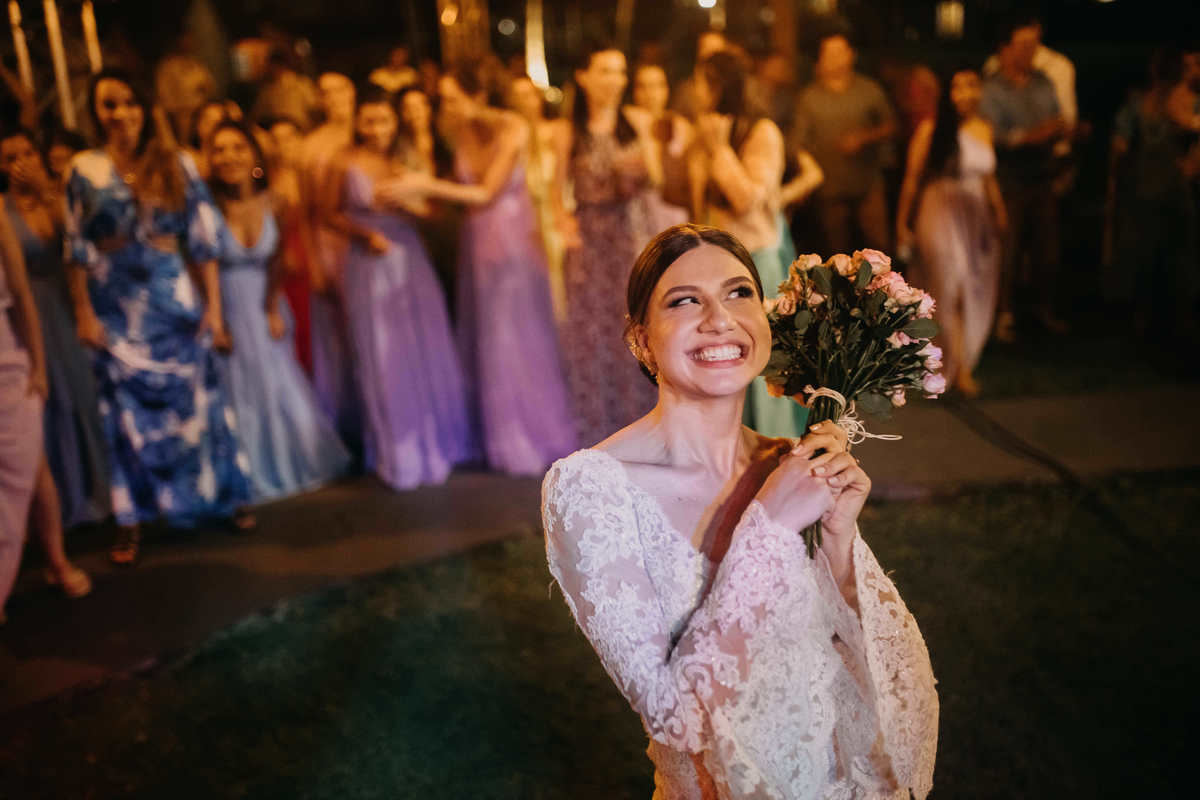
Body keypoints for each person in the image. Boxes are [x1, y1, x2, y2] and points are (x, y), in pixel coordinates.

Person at [542, 223, 938, 798]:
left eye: (738, 293)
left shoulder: (790, 463)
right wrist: (769, 526)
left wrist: (838, 541)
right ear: (641, 340)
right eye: (685, 301)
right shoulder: (592, 487)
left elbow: (872, 671)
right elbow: (675, 717)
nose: (720, 318)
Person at [65, 70, 253, 564]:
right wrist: (83, 312)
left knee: (201, 402)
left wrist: (214, 309)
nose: (120, 113)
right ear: (96, 112)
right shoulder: (83, 168)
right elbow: (76, 247)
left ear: (145, 107)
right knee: (122, 415)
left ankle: (227, 496)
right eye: (109, 104)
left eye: (129, 102)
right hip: (115, 308)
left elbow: (204, 239)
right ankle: (131, 519)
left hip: (174, 303)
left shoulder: (176, 161)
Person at [386, 66, 576, 475]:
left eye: (454, 98)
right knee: (487, 338)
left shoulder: (512, 127)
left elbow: (487, 191)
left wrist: (424, 184)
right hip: (477, 239)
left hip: (512, 238)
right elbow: (458, 190)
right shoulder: (458, 132)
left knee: (514, 336)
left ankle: (528, 436)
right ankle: (497, 434)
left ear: (478, 95)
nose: (448, 106)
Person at [326, 85, 475, 488]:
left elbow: (434, 213)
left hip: (410, 257)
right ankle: (398, 453)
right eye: (369, 121)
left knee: (423, 346)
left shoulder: (405, 159)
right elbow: (328, 213)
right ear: (358, 122)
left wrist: (413, 205)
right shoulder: (344, 161)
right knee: (382, 352)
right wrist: (364, 234)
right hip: (370, 262)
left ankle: (436, 442)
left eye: (384, 120)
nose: (377, 129)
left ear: (395, 122)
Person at [207, 120, 351, 500]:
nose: (229, 157)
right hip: (227, 307)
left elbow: (275, 259)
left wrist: (272, 306)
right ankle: (249, 471)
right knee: (240, 391)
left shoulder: (274, 202)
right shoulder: (207, 208)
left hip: (265, 304)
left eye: (238, 147)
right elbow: (200, 267)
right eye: (219, 150)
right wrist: (215, 318)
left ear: (254, 154)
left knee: (281, 385)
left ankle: (294, 461)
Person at [688, 50, 805, 438]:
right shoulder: (711, 128)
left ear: (719, 85)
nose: (695, 91)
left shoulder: (761, 131)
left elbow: (747, 199)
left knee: (759, 359)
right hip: (717, 259)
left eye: (701, 83)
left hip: (755, 258)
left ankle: (771, 446)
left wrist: (720, 150)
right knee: (723, 356)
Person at [0, 128, 110, 528]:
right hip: (28, 314)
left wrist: (46, 192)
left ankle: (98, 494)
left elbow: (80, 243)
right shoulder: (2, 210)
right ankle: (60, 504)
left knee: (82, 393)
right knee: (47, 403)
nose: (21, 164)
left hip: (66, 306)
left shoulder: (58, 196)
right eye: (11, 158)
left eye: (28, 153)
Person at [557, 43, 659, 447]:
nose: (614, 80)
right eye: (605, 70)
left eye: (619, 71)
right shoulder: (568, 130)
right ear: (583, 77)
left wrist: (637, 171)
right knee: (592, 333)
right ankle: (598, 431)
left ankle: (647, 426)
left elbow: (656, 180)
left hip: (632, 233)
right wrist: (567, 231)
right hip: (590, 238)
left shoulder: (637, 121)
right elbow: (555, 195)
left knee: (637, 325)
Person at [896, 69, 1007, 398]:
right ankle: (956, 369)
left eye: (972, 85)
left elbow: (988, 178)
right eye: (958, 86)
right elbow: (911, 179)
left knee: (972, 288)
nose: (965, 93)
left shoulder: (984, 128)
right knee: (949, 286)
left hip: (975, 217)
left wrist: (999, 212)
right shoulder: (931, 131)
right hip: (940, 212)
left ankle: (961, 360)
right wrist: (902, 223)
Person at [980, 22, 1070, 339]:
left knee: (1047, 248)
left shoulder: (1042, 82)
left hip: (1042, 175)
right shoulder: (992, 89)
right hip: (1010, 178)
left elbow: (1057, 120)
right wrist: (1031, 136)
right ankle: (1003, 314)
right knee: (1008, 249)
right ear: (1005, 49)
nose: (1031, 52)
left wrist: (1051, 133)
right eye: (1024, 45)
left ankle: (1042, 310)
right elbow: (994, 136)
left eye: (1034, 45)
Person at [1109, 50, 1198, 339]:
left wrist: (1190, 162)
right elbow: (1121, 144)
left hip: (1171, 189)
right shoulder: (1141, 104)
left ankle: (1174, 316)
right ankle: (1146, 315)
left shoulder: (1184, 102)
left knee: (1177, 255)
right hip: (1149, 188)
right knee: (1148, 253)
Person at [791, 32, 898, 254]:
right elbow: (799, 142)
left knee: (878, 247)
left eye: (839, 52)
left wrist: (864, 137)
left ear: (851, 55)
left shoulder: (869, 90)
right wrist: (802, 178)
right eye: (829, 53)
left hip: (867, 183)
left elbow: (891, 126)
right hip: (829, 189)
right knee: (835, 250)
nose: (835, 58)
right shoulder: (809, 98)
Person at [301, 72, 362, 455]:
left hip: (364, 242)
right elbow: (308, 213)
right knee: (338, 340)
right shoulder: (311, 146)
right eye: (325, 92)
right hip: (329, 245)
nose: (334, 97)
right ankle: (346, 427)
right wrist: (314, 263)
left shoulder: (366, 133)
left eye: (340, 88)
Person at [508, 75, 571, 320]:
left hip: (553, 213)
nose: (524, 102)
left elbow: (561, 178)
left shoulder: (556, 130)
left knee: (560, 282)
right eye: (517, 97)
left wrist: (560, 214)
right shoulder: (511, 139)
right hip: (523, 219)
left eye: (528, 95)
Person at [630, 62, 691, 249]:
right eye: (643, 86)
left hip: (673, 219)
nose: (650, 93)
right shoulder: (627, 125)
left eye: (656, 86)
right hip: (637, 220)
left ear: (666, 90)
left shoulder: (682, 127)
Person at [671, 29, 729, 121]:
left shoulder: (733, 89)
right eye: (706, 48)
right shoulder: (685, 89)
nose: (711, 54)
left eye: (716, 49)